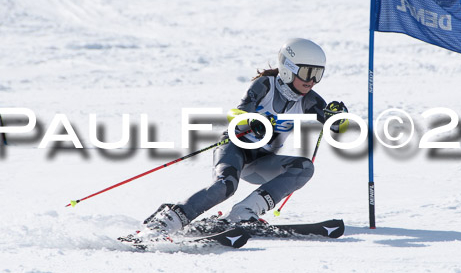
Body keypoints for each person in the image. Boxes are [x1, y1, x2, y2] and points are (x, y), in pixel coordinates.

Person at [141, 38, 348, 237]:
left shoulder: (308, 100)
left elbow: (338, 127)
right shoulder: (265, 85)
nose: (312, 81)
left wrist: (337, 117)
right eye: (307, 72)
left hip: (261, 162)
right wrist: (251, 121)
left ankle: (245, 212)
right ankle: (169, 219)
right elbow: (235, 114)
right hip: (234, 148)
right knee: (225, 186)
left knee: (304, 167)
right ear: (288, 68)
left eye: (318, 74)